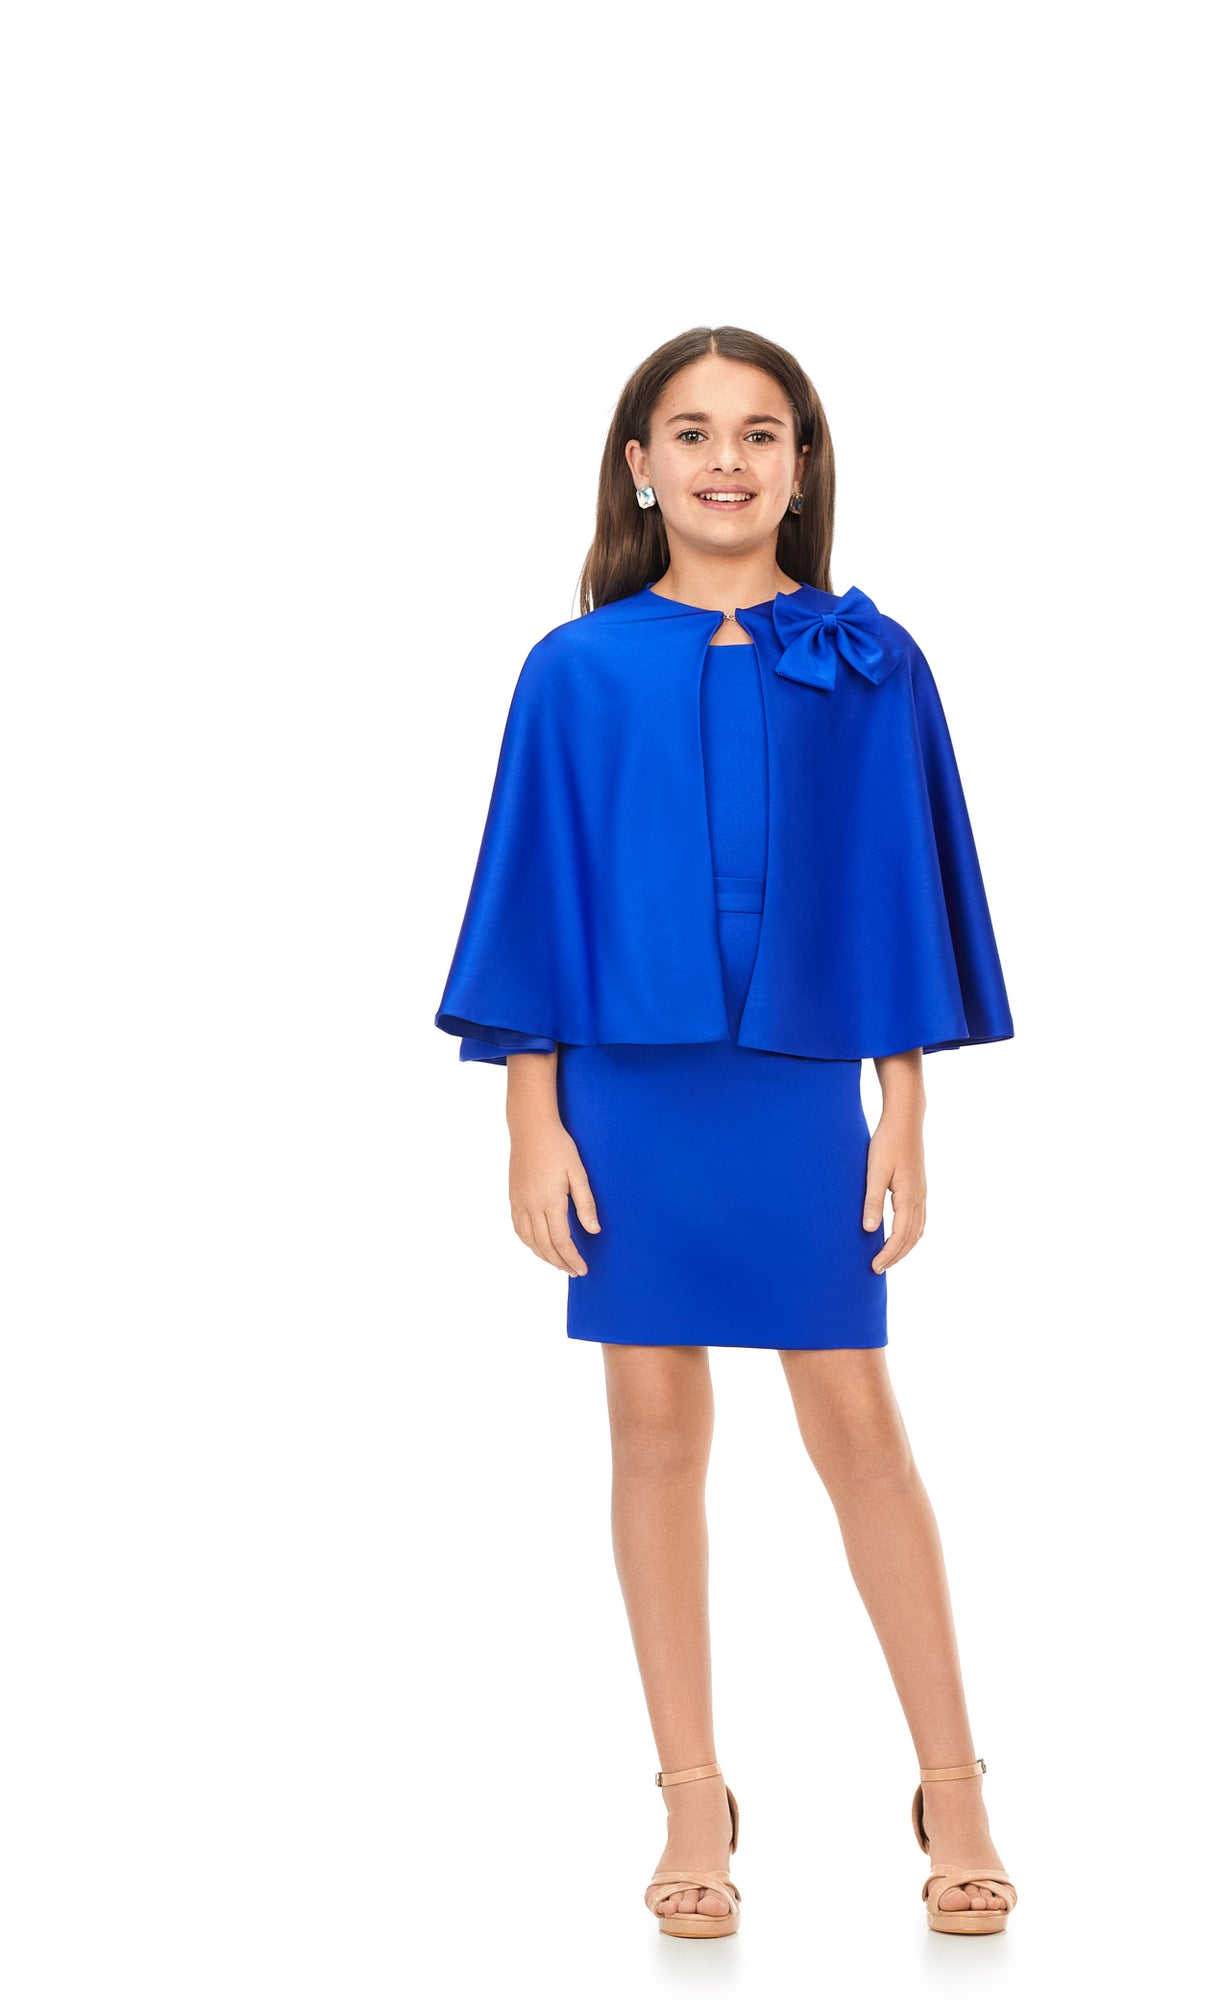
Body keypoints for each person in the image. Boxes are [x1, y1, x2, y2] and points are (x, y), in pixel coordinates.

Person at [434, 326, 1019, 1938]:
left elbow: (898, 891)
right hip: (628, 1079)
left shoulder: (869, 660)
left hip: (799, 1073)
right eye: (689, 431)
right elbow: (534, 891)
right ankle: (692, 1796)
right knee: (650, 1426)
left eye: (760, 432)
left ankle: (953, 1784)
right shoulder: (572, 669)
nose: (724, 459)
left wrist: (904, 1106)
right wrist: (529, 1115)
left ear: (802, 466)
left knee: (856, 1421)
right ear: (637, 465)